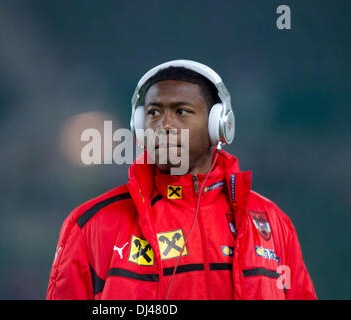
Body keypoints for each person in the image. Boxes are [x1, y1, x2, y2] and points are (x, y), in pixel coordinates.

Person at [46, 60, 317, 300]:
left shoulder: (272, 223)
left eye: (181, 111)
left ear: (218, 126)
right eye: (154, 112)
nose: (164, 125)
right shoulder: (91, 225)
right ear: (140, 127)